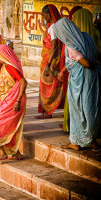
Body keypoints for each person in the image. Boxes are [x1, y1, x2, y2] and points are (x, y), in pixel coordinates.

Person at [53, 18, 101, 153]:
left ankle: (83, 142)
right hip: (92, 81)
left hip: (79, 85)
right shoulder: (86, 36)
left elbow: (86, 63)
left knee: (80, 111)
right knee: (90, 108)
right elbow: (98, 53)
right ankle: (86, 142)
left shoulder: (71, 46)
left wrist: (94, 64)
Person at [61, 8, 101, 133]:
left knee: (79, 108)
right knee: (91, 106)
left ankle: (81, 136)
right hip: (94, 77)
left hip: (80, 79)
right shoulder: (93, 36)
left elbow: (85, 62)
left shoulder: (72, 42)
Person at [0, 44, 27, 162]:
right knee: (8, 127)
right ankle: (16, 153)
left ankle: (1, 152)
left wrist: (18, 100)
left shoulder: (11, 68)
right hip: (5, 101)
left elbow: (23, 82)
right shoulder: (4, 67)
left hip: (14, 102)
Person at [36, 4, 67, 119]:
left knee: (48, 87)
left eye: (45, 16)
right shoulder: (51, 25)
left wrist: (48, 64)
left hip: (51, 60)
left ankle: (48, 111)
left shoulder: (53, 27)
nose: (43, 18)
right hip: (48, 59)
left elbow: (54, 47)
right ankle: (45, 110)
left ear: (50, 15)